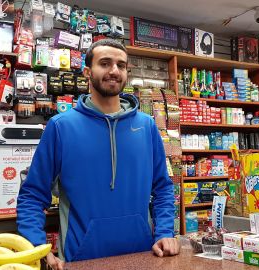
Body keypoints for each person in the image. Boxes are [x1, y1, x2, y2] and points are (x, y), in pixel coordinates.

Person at [17, 39, 180, 270]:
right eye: (105, 63)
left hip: (144, 257)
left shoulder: (146, 126)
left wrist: (164, 232)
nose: (114, 71)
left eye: (121, 65)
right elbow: (32, 195)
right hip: (81, 260)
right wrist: (36, 247)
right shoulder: (61, 127)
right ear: (87, 72)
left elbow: (163, 187)